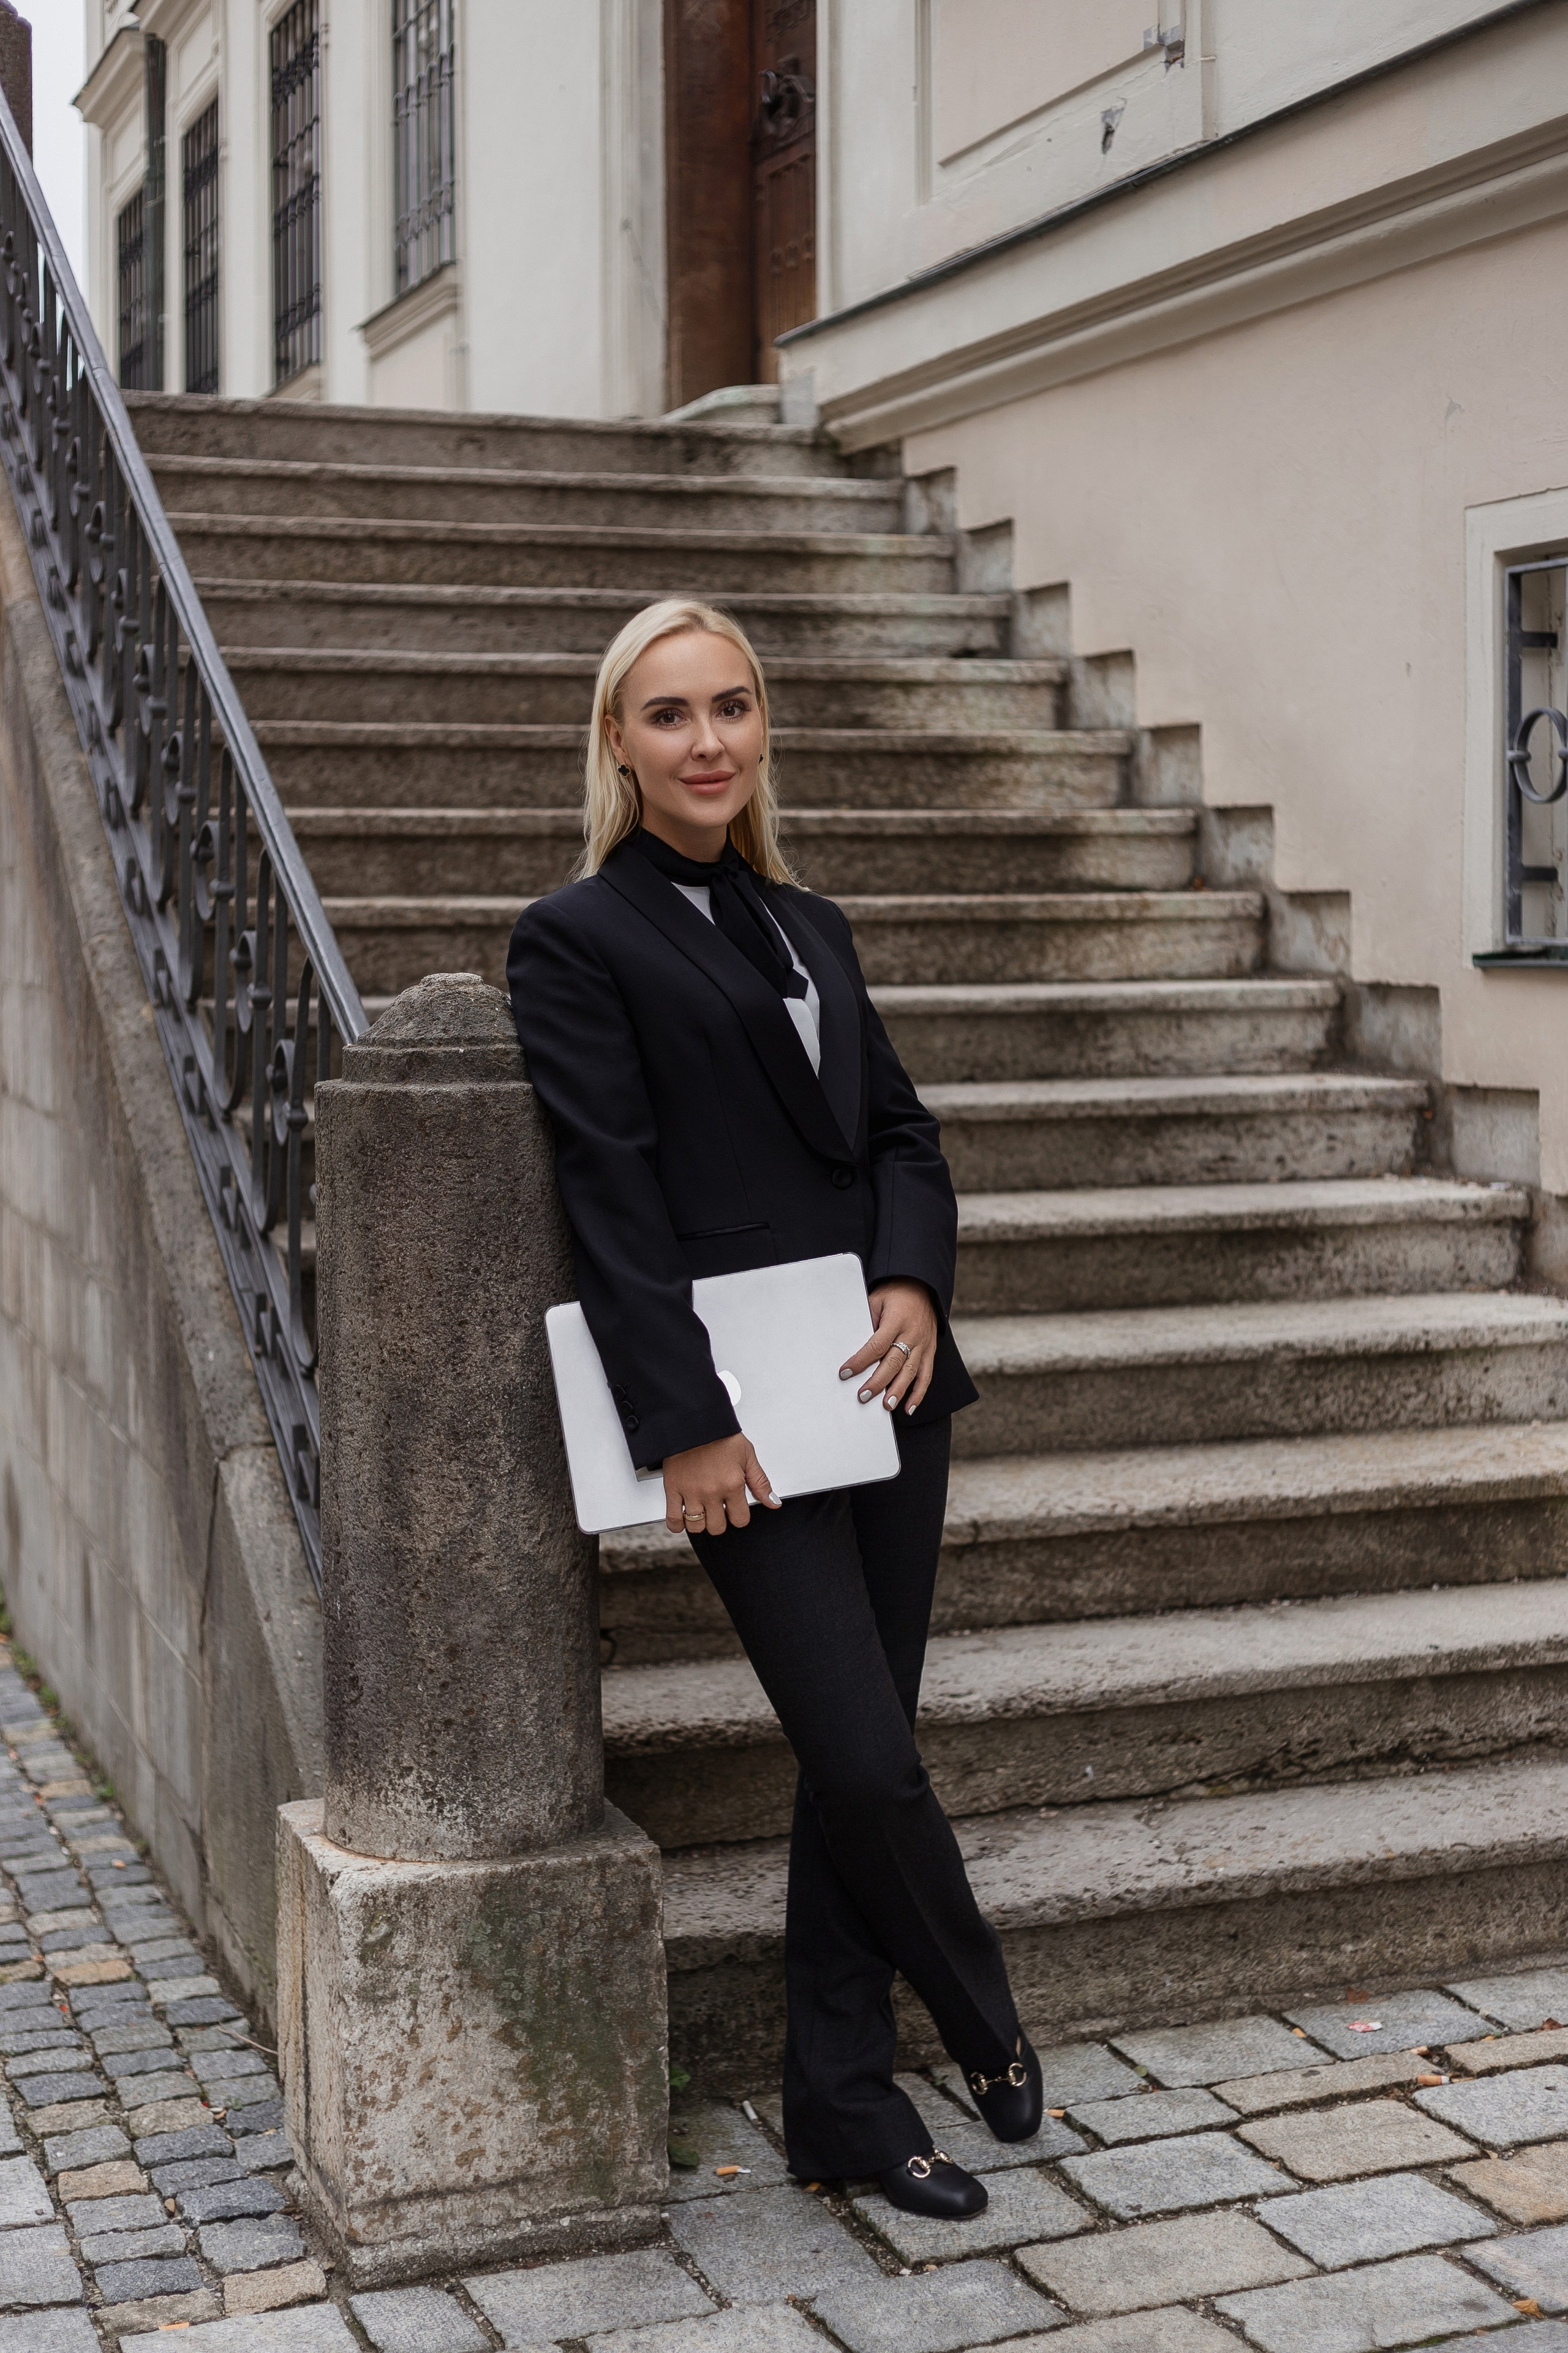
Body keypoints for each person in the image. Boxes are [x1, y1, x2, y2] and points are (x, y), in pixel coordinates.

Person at [507, 598, 1041, 2218]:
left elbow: (900, 1132)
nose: (708, 740)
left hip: (881, 1382)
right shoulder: (576, 936)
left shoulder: (812, 923)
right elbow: (610, 1191)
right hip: (736, 1408)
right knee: (867, 1759)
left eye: (731, 706)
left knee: (847, 1755)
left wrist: (915, 1279)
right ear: (619, 742)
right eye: (670, 714)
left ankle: (844, 2104)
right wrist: (682, 1420)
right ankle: (985, 2017)